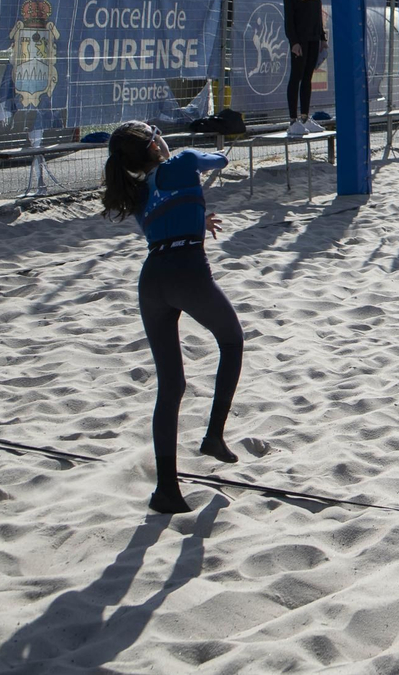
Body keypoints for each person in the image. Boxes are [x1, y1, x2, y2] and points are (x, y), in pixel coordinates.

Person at [102, 122, 244, 515]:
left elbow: (166, 220)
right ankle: (214, 435)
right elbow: (220, 157)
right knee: (231, 340)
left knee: (171, 386)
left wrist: (198, 217)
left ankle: (167, 490)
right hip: (188, 274)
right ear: (152, 143)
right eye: (156, 132)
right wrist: (172, 151)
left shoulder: (136, 192)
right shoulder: (180, 162)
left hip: (152, 283)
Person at [283, 0, 327, 137]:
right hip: (299, 39)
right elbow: (289, 16)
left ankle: (305, 117)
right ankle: (293, 120)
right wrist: (294, 41)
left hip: (313, 37)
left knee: (308, 77)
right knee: (296, 76)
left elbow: (318, 12)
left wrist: (323, 38)